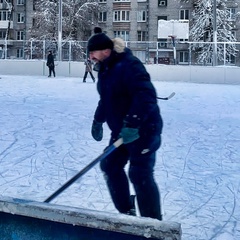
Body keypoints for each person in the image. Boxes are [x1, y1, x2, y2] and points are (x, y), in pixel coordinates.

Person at [87, 27, 163, 220]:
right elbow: (106, 100)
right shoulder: (106, 70)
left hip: (144, 130)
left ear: (105, 51)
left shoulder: (130, 65)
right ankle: (127, 215)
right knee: (110, 165)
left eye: (93, 52)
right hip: (122, 131)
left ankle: (153, 225)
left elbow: (146, 95)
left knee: (139, 174)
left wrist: (133, 123)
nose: (90, 56)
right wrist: (98, 120)